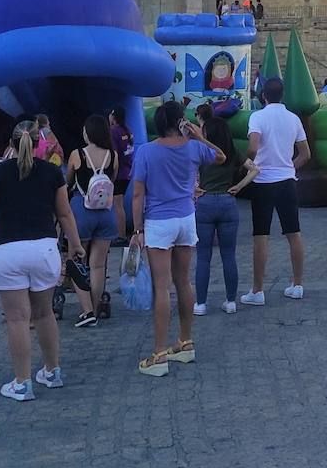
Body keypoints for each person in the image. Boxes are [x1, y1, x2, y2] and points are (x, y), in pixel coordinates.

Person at [0, 119, 84, 401]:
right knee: (45, 313)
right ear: (39, 144)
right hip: (44, 248)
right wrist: (75, 244)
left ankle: (22, 381)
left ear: (12, 143)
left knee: (17, 319)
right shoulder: (51, 172)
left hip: (7, 249)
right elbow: (64, 213)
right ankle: (52, 370)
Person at [131, 100, 224, 376]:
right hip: (186, 218)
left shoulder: (147, 152)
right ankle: (185, 342)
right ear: (181, 122)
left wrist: (136, 230)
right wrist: (199, 136)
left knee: (162, 287)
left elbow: (138, 194)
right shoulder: (194, 148)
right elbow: (221, 157)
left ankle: (159, 354)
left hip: (158, 221)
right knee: (183, 281)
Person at [241, 78, 311, 305]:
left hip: (262, 181)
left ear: (263, 95)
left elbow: (252, 146)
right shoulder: (293, 119)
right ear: (283, 95)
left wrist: (248, 163)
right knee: (294, 233)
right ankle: (297, 284)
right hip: (287, 180)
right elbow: (305, 154)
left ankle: (258, 290)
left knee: (261, 235)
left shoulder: (257, 117)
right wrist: (290, 166)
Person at [193, 104, 257, 314]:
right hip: (228, 204)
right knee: (229, 255)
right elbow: (255, 169)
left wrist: (194, 188)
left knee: (203, 256)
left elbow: (186, 172)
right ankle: (230, 301)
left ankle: (200, 304)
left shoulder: (201, 151)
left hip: (205, 203)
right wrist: (239, 186)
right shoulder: (232, 151)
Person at [65, 114, 119, 327]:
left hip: (81, 211)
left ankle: (86, 310)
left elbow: (68, 181)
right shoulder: (113, 156)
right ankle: (95, 308)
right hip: (106, 212)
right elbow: (111, 182)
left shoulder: (77, 155)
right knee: (98, 265)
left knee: (75, 260)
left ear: (88, 132)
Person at [109, 107, 136, 247]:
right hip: (127, 171)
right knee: (119, 204)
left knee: (117, 204)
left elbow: (114, 155)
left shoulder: (114, 132)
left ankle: (120, 235)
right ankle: (121, 234)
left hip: (119, 173)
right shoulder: (128, 130)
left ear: (114, 117)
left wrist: (112, 174)